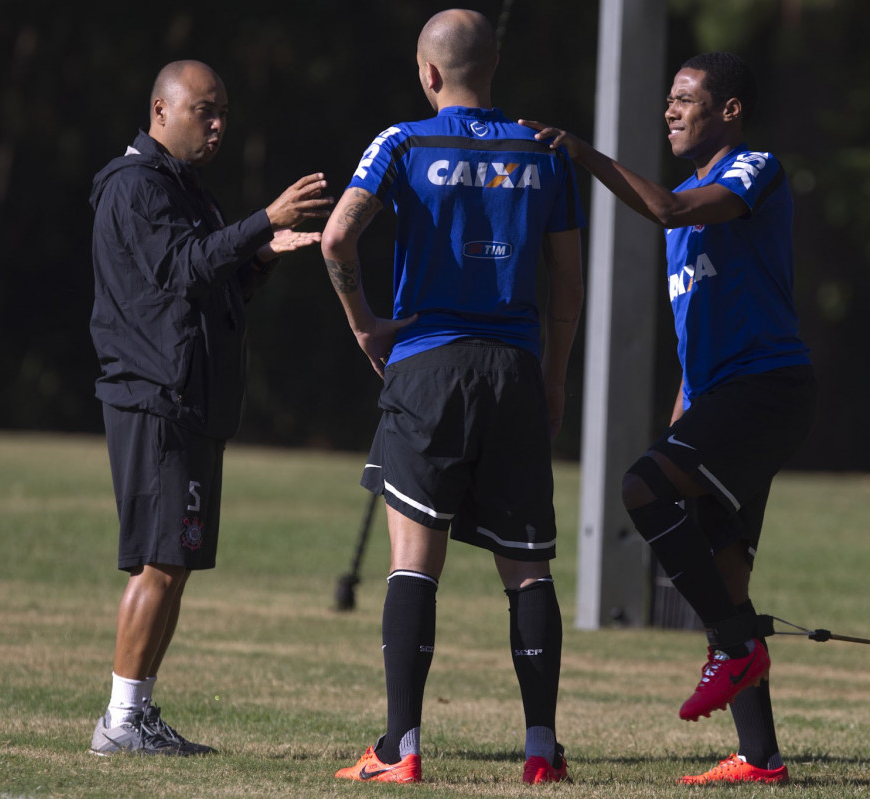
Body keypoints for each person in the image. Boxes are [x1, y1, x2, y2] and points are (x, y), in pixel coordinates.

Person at [521, 51, 816, 785]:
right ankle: (759, 756)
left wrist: (585, 154)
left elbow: (670, 209)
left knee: (641, 488)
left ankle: (732, 645)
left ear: (730, 111)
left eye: (686, 98)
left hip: (768, 389)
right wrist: (682, 409)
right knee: (727, 565)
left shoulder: (752, 169)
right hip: (722, 398)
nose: (670, 109)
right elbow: (696, 327)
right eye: (669, 99)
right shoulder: (679, 197)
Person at [320, 9, 585, 785]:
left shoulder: (402, 142)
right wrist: (556, 375)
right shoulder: (546, 152)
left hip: (429, 368)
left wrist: (366, 323)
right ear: (493, 69)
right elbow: (566, 285)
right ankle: (541, 749)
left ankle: (401, 747)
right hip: (515, 368)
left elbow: (338, 238)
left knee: (415, 561)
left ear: (428, 73)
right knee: (527, 567)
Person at [88, 59, 333, 756]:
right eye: (205, 110)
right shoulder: (135, 186)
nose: (219, 123)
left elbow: (201, 290)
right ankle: (121, 720)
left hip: (190, 397)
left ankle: (136, 712)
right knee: (159, 561)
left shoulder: (182, 188)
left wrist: (258, 260)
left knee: (177, 559)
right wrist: (264, 220)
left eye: (223, 110)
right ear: (161, 112)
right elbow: (180, 269)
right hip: (155, 398)